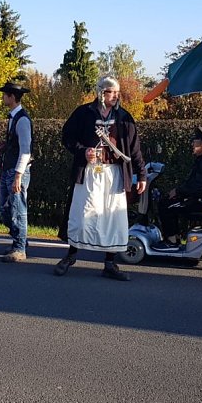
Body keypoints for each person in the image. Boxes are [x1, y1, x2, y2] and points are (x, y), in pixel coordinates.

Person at [55, 77, 147, 281]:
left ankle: (109, 263)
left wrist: (141, 174)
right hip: (89, 172)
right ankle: (71, 256)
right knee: (82, 214)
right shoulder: (83, 113)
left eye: (117, 92)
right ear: (100, 92)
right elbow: (67, 137)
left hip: (114, 173)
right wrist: (83, 151)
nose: (115, 96)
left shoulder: (124, 117)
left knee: (113, 217)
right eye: (110, 92)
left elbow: (134, 148)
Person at [153, 126, 202, 251]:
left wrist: (179, 191)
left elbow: (200, 184)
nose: (192, 144)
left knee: (166, 205)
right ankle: (174, 239)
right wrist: (180, 191)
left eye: (194, 141)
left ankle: (171, 242)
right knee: (168, 202)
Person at [0, 82, 33, 262]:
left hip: (16, 171)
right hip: (8, 168)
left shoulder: (22, 120)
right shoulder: (14, 118)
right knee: (4, 210)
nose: (3, 97)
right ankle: (20, 240)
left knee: (18, 210)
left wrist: (18, 175)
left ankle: (20, 247)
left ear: (11, 97)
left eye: (5, 95)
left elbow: (26, 150)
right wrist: (5, 146)